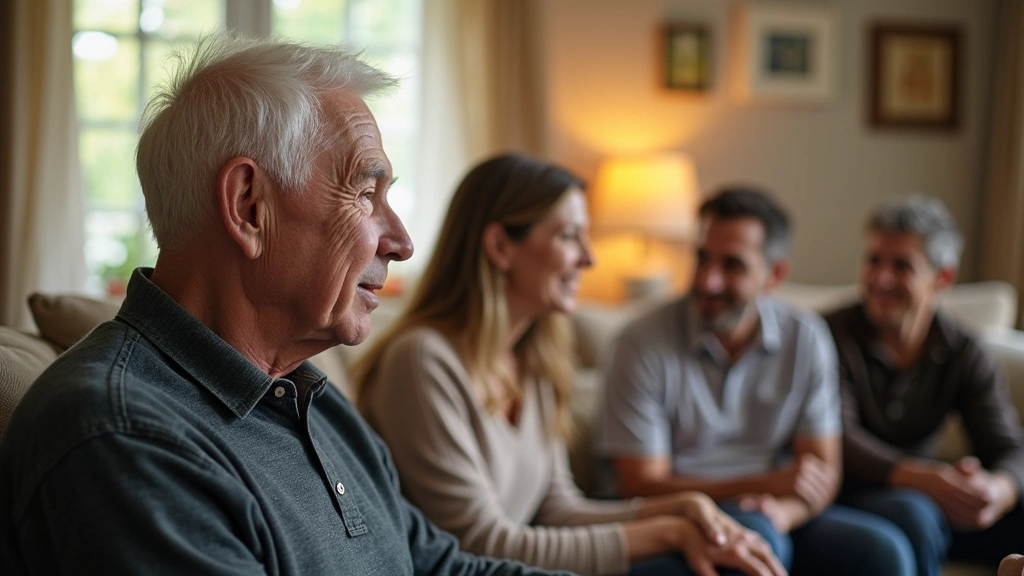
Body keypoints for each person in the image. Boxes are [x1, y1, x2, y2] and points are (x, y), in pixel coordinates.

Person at [0, 35, 573, 576]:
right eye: (365, 194)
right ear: (249, 206)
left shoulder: (308, 397)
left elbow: (441, 567)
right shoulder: (123, 436)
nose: (400, 241)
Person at [354, 153, 787, 576]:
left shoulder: (532, 362)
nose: (589, 257)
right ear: (501, 246)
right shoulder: (421, 361)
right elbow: (477, 543)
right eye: (569, 236)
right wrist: (669, 533)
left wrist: (684, 507)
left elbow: (558, 510)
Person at [600, 186, 918, 576]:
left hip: (771, 512)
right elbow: (640, 486)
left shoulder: (805, 338)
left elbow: (822, 472)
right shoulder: (640, 344)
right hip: (674, 515)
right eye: (702, 258)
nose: (708, 280)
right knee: (760, 539)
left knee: (885, 551)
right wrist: (768, 484)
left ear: (775, 274)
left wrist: (782, 512)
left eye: (732, 265)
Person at [826, 195, 1024, 576]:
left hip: (930, 494)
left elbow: (1008, 445)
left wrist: (997, 490)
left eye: (901, 265)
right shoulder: (829, 336)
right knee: (914, 512)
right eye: (873, 261)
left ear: (942, 278)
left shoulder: (963, 350)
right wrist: (924, 479)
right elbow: (839, 437)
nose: (880, 278)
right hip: (844, 491)